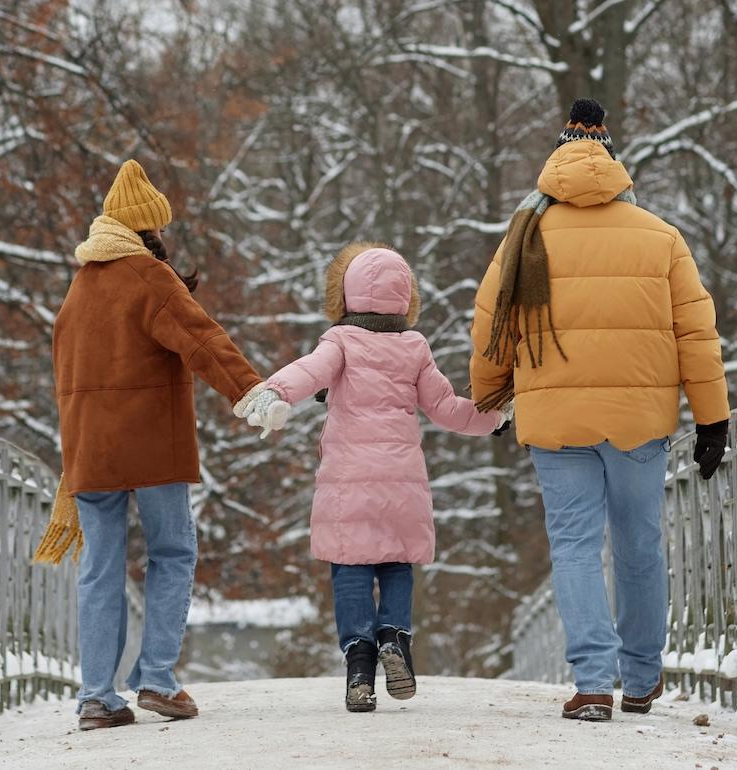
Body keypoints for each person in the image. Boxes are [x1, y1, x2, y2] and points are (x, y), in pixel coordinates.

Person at [469, 98, 730, 721]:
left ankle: (591, 683)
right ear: (616, 167)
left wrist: (493, 392)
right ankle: (640, 679)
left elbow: (490, 326)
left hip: (556, 425)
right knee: (639, 544)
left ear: (554, 164)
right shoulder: (660, 236)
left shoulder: (525, 235)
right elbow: (696, 332)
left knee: (575, 547)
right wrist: (712, 416)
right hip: (640, 421)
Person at [33, 159, 286, 731]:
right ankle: (157, 681)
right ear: (149, 230)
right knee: (171, 553)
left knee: (101, 568)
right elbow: (203, 340)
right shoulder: (147, 276)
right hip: (151, 445)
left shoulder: (79, 288)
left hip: (89, 450)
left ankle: (97, 697)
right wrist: (253, 393)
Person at [249, 243, 509, 712]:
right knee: (396, 562)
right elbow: (448, 409)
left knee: (350, 567)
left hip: (348, 483)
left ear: (345, 296)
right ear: (406, 297)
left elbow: (310, 372)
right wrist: (495, 418)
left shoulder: (340, 341)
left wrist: (275, 392)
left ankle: (359, 667)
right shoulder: (414, 347)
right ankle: (393, 635)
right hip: (402, 480)